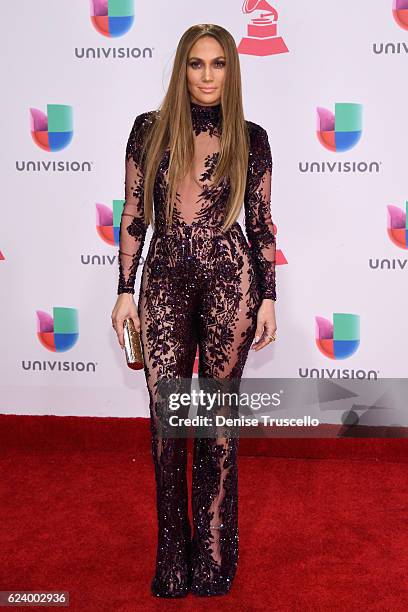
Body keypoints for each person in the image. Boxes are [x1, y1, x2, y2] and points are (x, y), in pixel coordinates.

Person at [111, 23, 277, 598]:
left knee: (216, 427)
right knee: (167, 425)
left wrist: (269, 298)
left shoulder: (252, 138)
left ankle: (211, 553)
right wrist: (124, 289)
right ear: (181, 69)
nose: (207, 76)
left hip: (233, 284)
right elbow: (134, 213)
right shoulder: (150, 130)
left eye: (218, 65)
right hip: (163, 283)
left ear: (232, 71)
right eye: (196, 64)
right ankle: (173, 557)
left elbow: (260, 226)